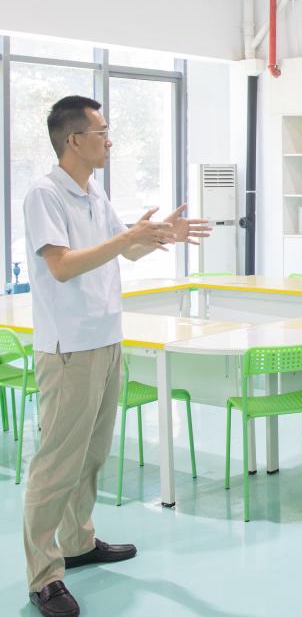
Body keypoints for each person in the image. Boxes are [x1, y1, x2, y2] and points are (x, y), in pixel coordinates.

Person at [22, 95, 210, 617]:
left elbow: (123, 250)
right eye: (101, 132)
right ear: (73, 140)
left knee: (91, 455)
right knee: (56, 464)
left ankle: (77, 542)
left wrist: (158, 236)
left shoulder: (93, 192)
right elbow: (62, 265)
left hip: (106, 340)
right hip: (68, 348)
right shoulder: (45, 195)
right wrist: (128, 235)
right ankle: (44, 575)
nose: (110, 141)